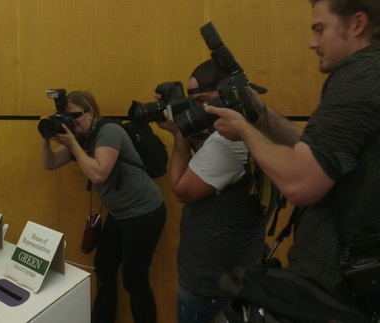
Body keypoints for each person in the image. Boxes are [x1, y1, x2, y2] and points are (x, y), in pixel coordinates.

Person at [205, 0, 380, 319]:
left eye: (320, 29)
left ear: (357, 23)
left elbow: (300, 183)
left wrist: (244, 130)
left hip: (333, 294)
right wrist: (261, 117)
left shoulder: (361, 73)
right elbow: (319, 155)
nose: (313, 43)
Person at [155, 60, 270, 322]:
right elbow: (212, 164)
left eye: (203, 100)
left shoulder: (228, 143)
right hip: (238, 270)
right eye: (194, 103)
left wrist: (179, 133)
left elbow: (181, 190)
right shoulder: (257, 124)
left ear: (227, 93)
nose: (200, 110)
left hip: (210, 283)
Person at [40, 91, 166, 323]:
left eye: (75, 115)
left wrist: (72, 145)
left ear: (91, 112)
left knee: (134, 279)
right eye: (66, 117)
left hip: (144, 213)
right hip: (120, 214)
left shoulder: (109, 131)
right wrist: (47, 136)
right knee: (104, 268)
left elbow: (99, 173)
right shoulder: (80, 138)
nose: (71, 121)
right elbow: (50, 163)